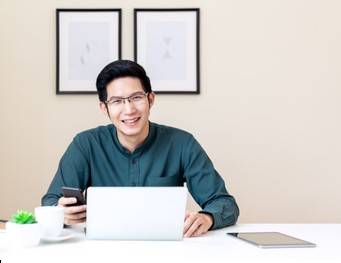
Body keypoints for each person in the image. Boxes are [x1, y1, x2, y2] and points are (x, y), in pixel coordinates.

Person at [42, 59, 239, 237]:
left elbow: (225, 204)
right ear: (105, 108)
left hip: (165, 249)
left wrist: (207, 218)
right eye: (117, 101)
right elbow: (51, 200)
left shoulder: (182, 143)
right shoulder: (85, 145)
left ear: (150, 99)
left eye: (136, 97)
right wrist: (60, 212)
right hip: (100, 249)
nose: (129, 110)